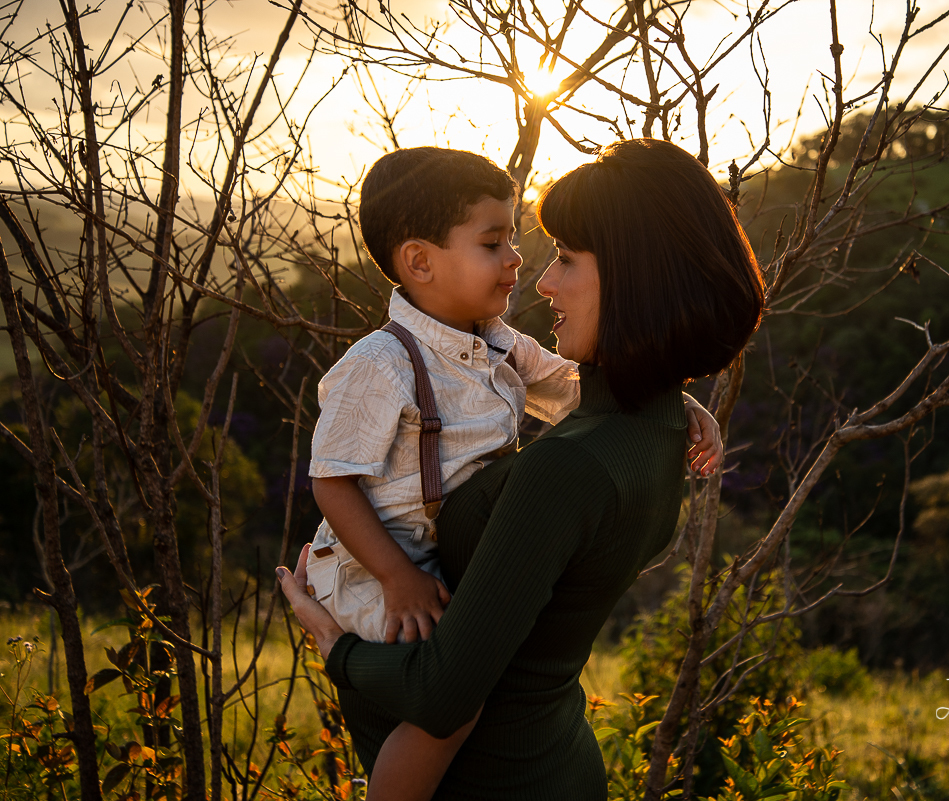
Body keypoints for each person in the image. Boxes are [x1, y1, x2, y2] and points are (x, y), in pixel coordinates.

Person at [279, 138, 764, 800]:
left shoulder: (566, 463)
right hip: (544, 750)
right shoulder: (652, 432)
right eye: (499, 246)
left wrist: (334, 644)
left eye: (565, 258)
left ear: (634, 275)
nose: (537, 278)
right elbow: (335, 473)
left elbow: (442, 692)